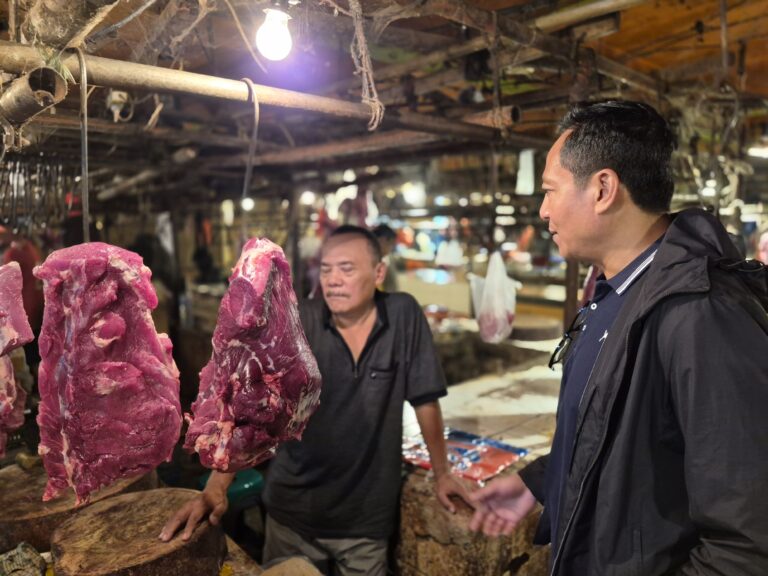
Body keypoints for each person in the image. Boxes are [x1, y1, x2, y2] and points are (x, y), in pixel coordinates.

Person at [469, 100, 768, 575]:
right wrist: (540, 483)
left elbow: (748, 540)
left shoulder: (700, 313)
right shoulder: (614, 294)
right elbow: (624, 432)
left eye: (550, 190)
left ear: (604, 189)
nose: (543, 211)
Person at [161, 225, 470, 575]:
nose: (334, 280)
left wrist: (443, 472)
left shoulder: (402, 316)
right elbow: (252, 413)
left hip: (366, 522)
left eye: (347, 269)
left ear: (379, 272)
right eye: (326, 269)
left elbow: (425, 400)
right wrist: (217, 485)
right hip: (293, 514)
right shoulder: (299, 320)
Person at [372, 223, 398, 292]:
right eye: (391, 243)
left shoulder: (386, 260)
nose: (391, 248)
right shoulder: (368, 261)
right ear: (382, 240)